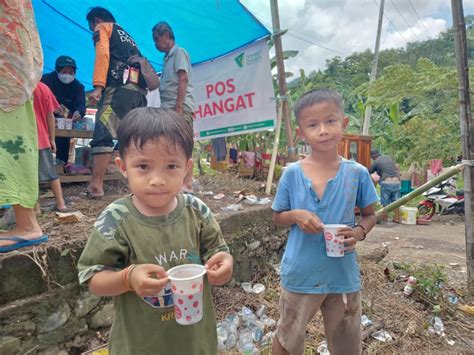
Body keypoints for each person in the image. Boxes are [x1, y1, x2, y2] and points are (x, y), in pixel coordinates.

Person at [77, 107, 233, 354]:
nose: (157, 179)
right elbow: (94, 280)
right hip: (141, 345)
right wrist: (127, 278)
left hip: (195, 343)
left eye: (171, 166)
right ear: (123, 166)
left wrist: (224, 264)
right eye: (143, 166)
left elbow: (219, 253)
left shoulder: (197, 211)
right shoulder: (116, 220)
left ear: (187, 168)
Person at [271, 89, 378, 355]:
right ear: (301, 133)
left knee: (346, 343)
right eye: (313, 124)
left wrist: (358, 232)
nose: (323, 130)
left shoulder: (357, 173)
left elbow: (369, 214)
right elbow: (277, 217)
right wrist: (296, 215)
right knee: (287, 338)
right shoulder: (292, 174)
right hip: (300, 274)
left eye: (330, 121)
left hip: (342, 276)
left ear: (343, 124)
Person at [0, 0, 48, 252]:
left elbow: (50, 115)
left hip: (8, 66)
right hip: (14, 57)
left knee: (10, 138)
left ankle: (27, 223)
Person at [86, 7, 147, 198]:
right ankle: (136, 184)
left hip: (118, 87)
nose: (92, 30)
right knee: (131, 138)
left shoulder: (103, 28)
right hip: (138, 92)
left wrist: (98, 86)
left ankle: (96, 185)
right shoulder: (128, 36)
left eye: (91, 26)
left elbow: (103, 54)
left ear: (97, 20)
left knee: (103, 131)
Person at [152, 22, 195, 191]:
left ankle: (187, 183)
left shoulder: (179, 52)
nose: (155, 43)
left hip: (179, 108)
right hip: (167, 108)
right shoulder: (166, 58)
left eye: (157, 39)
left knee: (183, 143)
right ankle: (176, 180)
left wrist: (179, 107)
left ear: (167, 36)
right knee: (170, 144)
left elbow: (182, 79)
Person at [41, 55, 86, 164]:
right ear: (57, 69)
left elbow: (81, 104)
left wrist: (79, 112)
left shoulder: (78, 87)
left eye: (71, 72)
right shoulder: (46, 80)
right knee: (43, 152)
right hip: (44, 123)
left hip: (65, 125)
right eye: (64, 71)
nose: (67, 74)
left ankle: (62, 170)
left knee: (62, 154)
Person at [33, 82, 67, 212]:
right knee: (52, 174)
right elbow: (50, 116)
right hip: (42, 138)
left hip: (24, 140)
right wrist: (52, 138)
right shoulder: (43, 88)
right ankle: (61, 203)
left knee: (29, 176)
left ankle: (36, 208)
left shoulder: (18, 86)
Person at [369, 149, 401, 223]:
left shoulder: (376, 162)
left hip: (386, 181)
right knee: (396, 202)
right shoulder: (388, 157)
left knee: (385, 202)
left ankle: (385, 218)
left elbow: (368, 172)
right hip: (397, 181)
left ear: (373, 157)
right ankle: (397, 218)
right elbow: (396, 167)